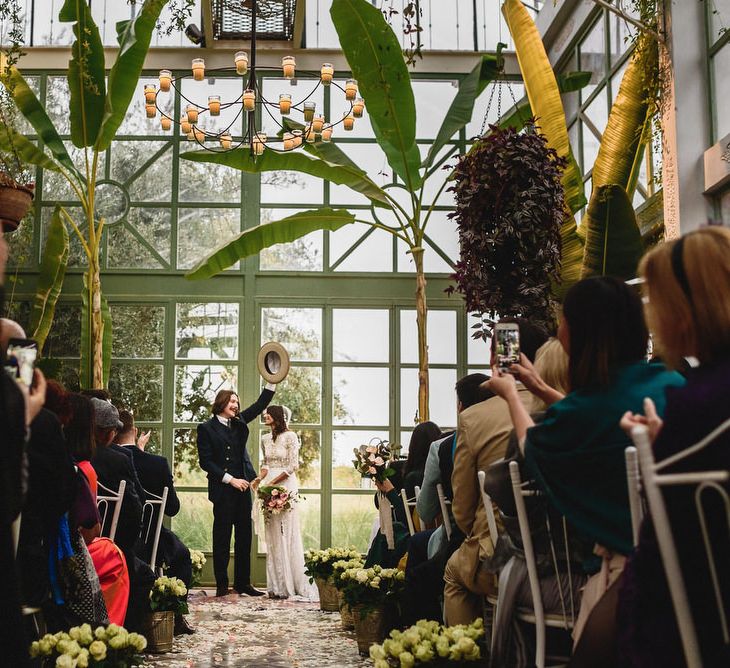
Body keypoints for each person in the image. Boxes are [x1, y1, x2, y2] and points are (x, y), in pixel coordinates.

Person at [486, 276, 685, 643]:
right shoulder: (671, 385)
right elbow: (602, 417)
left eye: (563, 320)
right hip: (693, 557)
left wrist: (513, 397)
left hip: (631, 567)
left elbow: (534, 449)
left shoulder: (580, 413)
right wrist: (541, 388)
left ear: (578, 333)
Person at [614, 228, 730, 668]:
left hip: (705, 628)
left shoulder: (694, 403)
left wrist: (659, 456)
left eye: (654, 302)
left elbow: (663, 551)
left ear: (681, 313)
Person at [444, 318, 549, 625]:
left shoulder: (474, 417)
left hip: (499, 555)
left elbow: (462, 507)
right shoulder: (561, 404)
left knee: (453, 574)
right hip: (560, 557)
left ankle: (465, 654)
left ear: (495, 357)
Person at [401, 373, 491, 626]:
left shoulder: (444, 447)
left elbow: (427, 510)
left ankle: (424, 636)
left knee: (422, 571)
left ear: (460, 407)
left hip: (469, 541)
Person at [115, 409, 195, 635]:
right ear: (135, 430)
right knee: (182, 556)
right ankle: (175, 615)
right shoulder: (157, 464)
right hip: (150, 541)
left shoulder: (102, 459)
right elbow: (172, 507)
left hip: (109, 541)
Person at [197, 384, 275, 597]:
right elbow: (206, 462)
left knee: (244, 537)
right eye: (232, 401)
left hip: (243, 491)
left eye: (237, 402)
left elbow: (259, 405)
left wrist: (272, 381)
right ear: (221, 404)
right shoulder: (205, 428)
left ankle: (243, 583)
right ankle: (222, 585)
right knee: (221, 537)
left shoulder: (239, 422)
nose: (236, 405)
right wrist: (230, 480)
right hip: (223, 491)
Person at [62, 391, 130, 626]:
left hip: (43, 549)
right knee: (113, 554)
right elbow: (90, 531)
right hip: (67, 555)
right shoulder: (82, 471)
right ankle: (105, 629)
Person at [254, 405, 316, 600]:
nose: (265, 415)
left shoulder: (290, 437)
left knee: (286, 532)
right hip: (267, 487)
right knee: (272, 533)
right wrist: (259, 479)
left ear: (278, 416)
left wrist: (272, 483)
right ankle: (276, 585)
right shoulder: (264, 438)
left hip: (285, 485)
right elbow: (266, 465)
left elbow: (293, 465)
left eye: (269, 413)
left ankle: (291, 584)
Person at [402, 421, 442, 499]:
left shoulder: (414, 478)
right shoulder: (444, 473)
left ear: (414, 445)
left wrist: (389, 489)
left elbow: (403, 510)